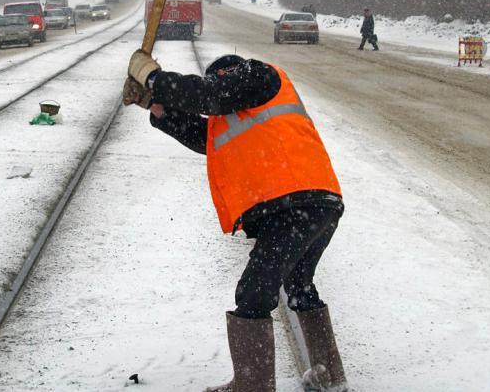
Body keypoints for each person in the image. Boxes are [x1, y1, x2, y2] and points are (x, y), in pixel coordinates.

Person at [123, 52, 348, 392]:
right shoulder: (239, 104)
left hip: (294, 202)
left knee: (254, 292)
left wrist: (154, 78)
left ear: (225, 73)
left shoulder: (257, 75)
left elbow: (207, 95)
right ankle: (329, 376)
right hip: (315, 202)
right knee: (298, 285)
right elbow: (206, 139)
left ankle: (252, 385)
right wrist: (160, 108)